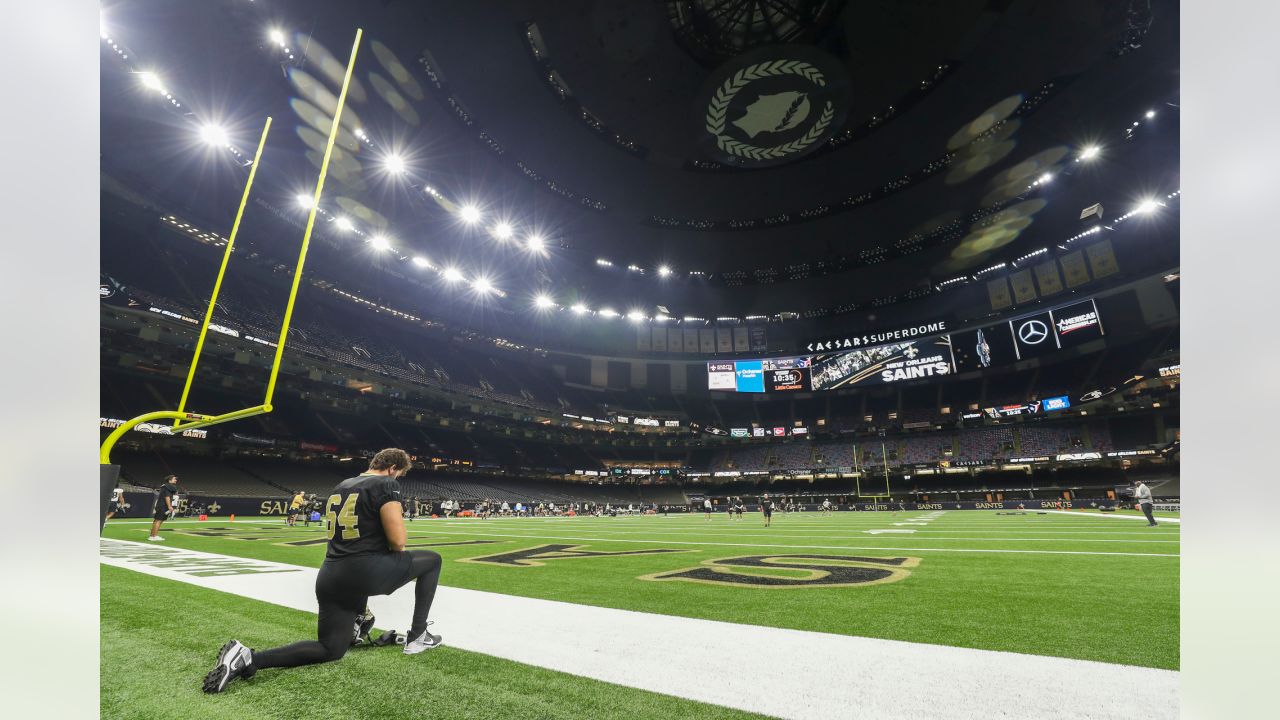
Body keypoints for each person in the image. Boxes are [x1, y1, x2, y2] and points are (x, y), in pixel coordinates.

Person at [202, 448, 444, 693]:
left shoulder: (343, 485)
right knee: (433, 561)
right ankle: (418, 635)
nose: (397, 479)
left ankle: (250, 658)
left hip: (331, 574)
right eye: (399, 474)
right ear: (392, 468)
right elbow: (397, 542)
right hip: (365, 572)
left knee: (330, 648)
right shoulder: (385, 484)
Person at [148, 475, 181, 541]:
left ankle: (152, 535)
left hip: (160, 505)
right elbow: (167, 497)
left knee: (156, 520)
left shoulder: (165, 486)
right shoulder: (168, 487)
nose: (176, 480)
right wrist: (169, 506)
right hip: (163, 506)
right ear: (169, 480)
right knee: (159, 521)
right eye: (174, 479)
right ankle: (154, 536)